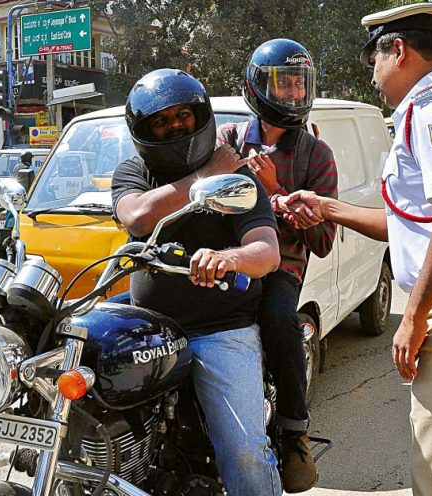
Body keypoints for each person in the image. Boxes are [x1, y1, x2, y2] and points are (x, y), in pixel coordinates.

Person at [277, 4, 432, 495]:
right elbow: (413, 225)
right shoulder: (431, 106)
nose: (372, 75)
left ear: (399, 50)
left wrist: (411, 317)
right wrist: (328, 208)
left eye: (375, 60)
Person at [111, 68, 282, 496]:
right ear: (144, 131)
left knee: (243, 447)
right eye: (161, 120)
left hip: (219, 330)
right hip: (148, 330)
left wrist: (229, 258)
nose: (174, 125)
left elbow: (266, 251)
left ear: (199, 115)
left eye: (182, 114)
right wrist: (202, 179)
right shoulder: (133, 172)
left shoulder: (237, 178)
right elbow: (135, 216)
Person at [216, 38, 338, 493]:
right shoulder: (226, 141)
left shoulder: (315, 155)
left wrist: (277, 192)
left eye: (297, 84)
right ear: (257, 86)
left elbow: (323, 241)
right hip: (231, 260)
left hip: (281, 267)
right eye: (282, 83)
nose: (291, 94)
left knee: (280, 320)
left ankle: (294, 433)